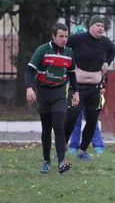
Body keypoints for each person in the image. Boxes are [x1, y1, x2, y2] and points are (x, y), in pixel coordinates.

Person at [25, 23, 79, 174]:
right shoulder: (43, 50)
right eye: (61, 36)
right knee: (46, 129)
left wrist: (76, 92)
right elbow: (29, 71)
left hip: (59, 93)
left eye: (66, 36)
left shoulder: (69, 52)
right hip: (43, 93)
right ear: (53, 36)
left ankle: (61, 162)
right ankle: (47, 162)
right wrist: (29, 88)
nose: (64, 39)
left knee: (59, 126)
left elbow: (72, 73)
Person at [64, 15, 115, 160]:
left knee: (92, 121)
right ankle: (62, 148)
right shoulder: (78, 39)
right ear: (91, 27)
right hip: (77, 88)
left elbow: (112, 51)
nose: (101, 28)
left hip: (95, 88)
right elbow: (63, 46)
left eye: (102, 26)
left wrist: (107, 63)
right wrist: (67, 63)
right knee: (71, 117)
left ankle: (82, 151)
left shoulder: (105, 43)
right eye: (98, 25)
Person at [67, 23, 105, 154]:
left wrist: (102, 86)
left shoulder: (94, 49)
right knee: (74, 119)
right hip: (75, 90)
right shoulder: (71, 51)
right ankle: (73, 145)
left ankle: (97, 144)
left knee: (92, 119)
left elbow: (100, 69)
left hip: (93, 90)